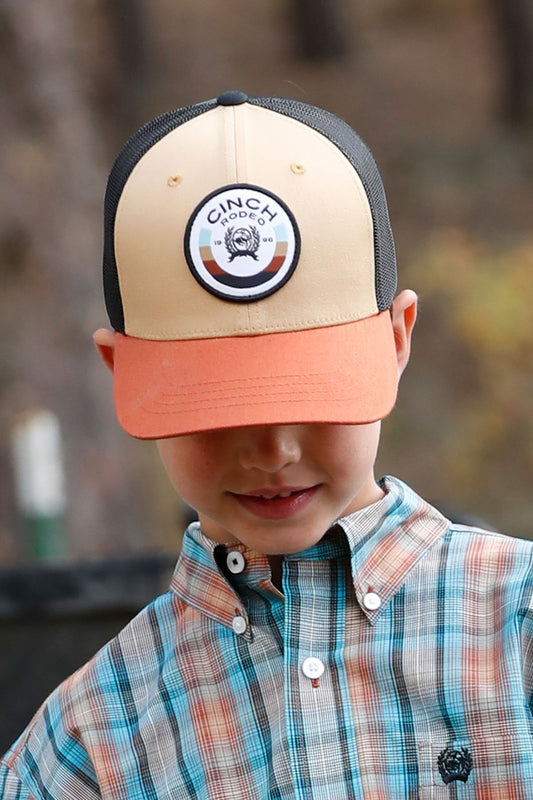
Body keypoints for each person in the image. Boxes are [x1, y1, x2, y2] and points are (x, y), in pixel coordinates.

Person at [1, 89, 532, 799]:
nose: (271, 449)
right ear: (120, 370)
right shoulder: (88, 741)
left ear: (397, 339)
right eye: (216, 405)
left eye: (310, 394)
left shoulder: (518, 624)